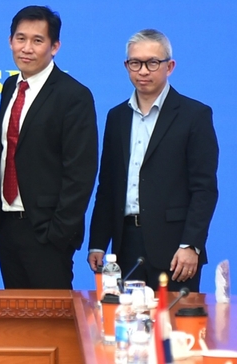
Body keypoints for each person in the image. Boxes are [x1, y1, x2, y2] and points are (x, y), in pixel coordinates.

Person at [88, 29, 219, 292]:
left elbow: (204, 189)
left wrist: (190, 245)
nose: (143, 71)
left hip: (175, 250)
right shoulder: (117, 117)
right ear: (127, 66)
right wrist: (98, 242)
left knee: (175, 329)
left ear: (169, 66)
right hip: (125, 247)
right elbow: (108, 185)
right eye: (135, 63)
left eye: (152, 63)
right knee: (125, 325)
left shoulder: (194, 115)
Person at [0, 6, 98, 289]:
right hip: (7, 226)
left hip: (46, 233)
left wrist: (58, 234)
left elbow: (80, 173)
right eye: (20, 38)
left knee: (52, 326)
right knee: (17, 324)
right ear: (10, 41)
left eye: (37, 40)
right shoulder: (9, 87)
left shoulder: (73, 96)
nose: (27, 48)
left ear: (55, 47)